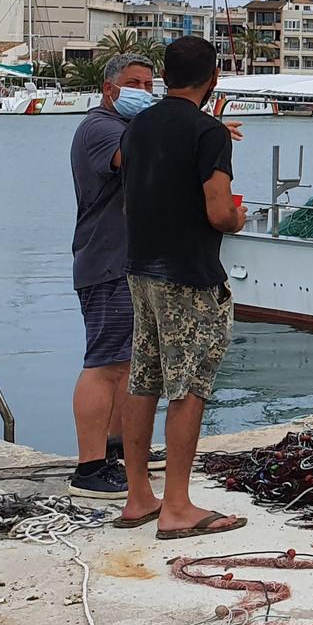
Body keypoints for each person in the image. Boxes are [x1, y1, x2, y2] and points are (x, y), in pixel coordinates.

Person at [118, 34, 248, 539]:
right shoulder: (208, 132)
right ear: (213, 79)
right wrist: (238, 217)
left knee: (143, 377)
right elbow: (218, 211)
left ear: (167, 76)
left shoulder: (137, 125)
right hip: (190, 276)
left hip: (140, 269)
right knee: (189, 385)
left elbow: (131, 201)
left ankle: (138, 497)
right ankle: (176, 507)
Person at [64, 54, 159, 500]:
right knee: (104, 364)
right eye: (134, 83)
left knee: (129, 363)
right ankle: (90, 465)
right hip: (106, 262)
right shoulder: (100, 128)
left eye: (149, 83)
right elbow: (136, 159)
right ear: (110, 89)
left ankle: (118, 449)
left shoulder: (129, 127)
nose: (144, 90)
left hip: (133, 262)